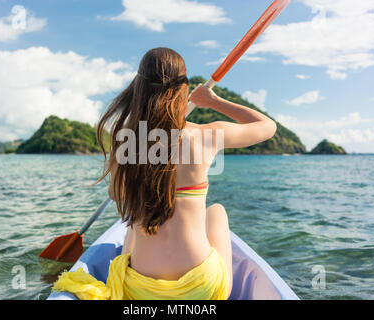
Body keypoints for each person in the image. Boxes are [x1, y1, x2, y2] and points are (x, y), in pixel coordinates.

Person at [52, 47, 276, 300]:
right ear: (183, 88)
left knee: (132, 228)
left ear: (139, 89)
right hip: (202, 288)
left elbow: (115, 194)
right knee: (216, 211)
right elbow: (267, 127)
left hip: (140, 289)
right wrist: (213, 101)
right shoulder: (205, 136)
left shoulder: (126, 141)